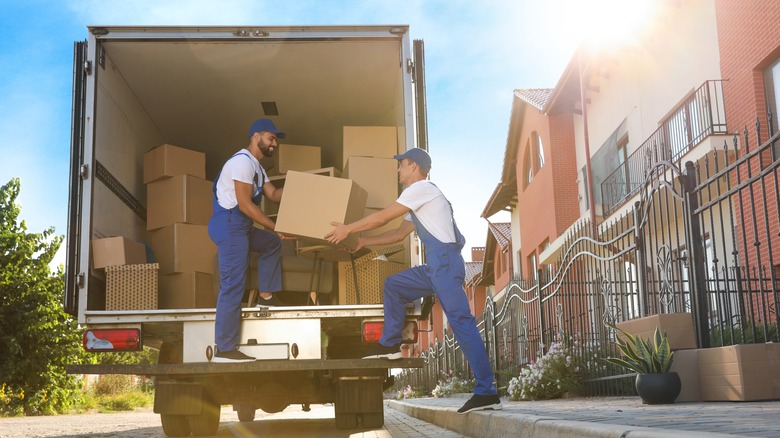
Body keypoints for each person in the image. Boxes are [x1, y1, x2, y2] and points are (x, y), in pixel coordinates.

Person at [325, 148, 502, 414]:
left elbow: (384, 217)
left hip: (443, 263)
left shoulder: (422, 189)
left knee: (462, 323)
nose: (399, 170)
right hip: (435, 266)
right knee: (394, 286)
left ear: (415, 167)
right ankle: (390, 345)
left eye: (402, 165)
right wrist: (363, 241)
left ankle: (486, 390)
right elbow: (398, 233)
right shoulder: (420, 199)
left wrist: (348, 229)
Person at [208, 118, 288, 363]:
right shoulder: (242, 162)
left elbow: (274, 195)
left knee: (271, 244)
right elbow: (244, 204)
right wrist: (276, 227)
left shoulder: (258, 167)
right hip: (230, 224)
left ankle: (267, 296)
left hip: (240, 227)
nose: (274, 143)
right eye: (271, 138)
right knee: (232, 284)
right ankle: (225, 347)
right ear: (256, 137)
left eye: (275, 139)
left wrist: (303, 188)